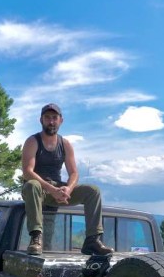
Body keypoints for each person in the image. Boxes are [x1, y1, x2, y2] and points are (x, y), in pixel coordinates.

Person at [21, 103, 114, 257]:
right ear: (41, 120)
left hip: (58, 191)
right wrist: (52, 190)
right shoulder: (32, 141)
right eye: (47, 118)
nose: (51, 121)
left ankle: (92, 240)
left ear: (61, 120)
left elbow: (74, 173)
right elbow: (27, 171)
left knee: (93, 191)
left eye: (54, 118)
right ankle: (36, 238)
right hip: (38, 191)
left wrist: (68, 189)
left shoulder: (65, 144)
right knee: (32, 184)